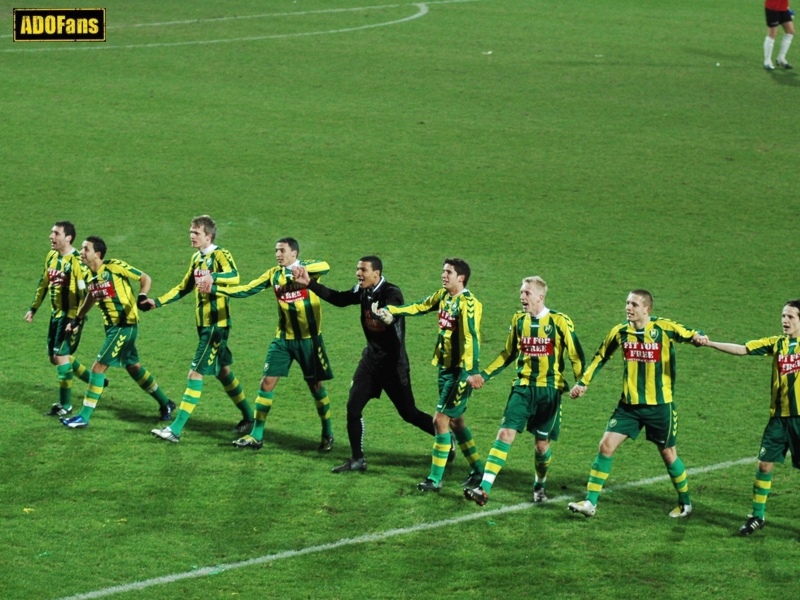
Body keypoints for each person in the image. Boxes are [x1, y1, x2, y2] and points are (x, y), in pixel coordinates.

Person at [567, 290, 707, 518]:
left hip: (660, 406)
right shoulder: (620, 332)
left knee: (669, 454)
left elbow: (691, 334)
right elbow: (601, 356)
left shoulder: (663, 328)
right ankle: (590, 503)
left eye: (633, 304)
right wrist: (583, 382)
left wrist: (699, 337)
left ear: (646, 309)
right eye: (627, 303)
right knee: (605, 446)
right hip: (628, 407)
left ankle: (685, 503)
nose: (628, 308)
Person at [292, 256, 437, 473]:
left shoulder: (390, 292)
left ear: (376, 274)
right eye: (357, 269)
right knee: (353, 407)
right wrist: (310, 283)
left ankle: (445, 437)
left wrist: (388, 316)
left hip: (393, 366)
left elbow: (395, 308)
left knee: (409, 414)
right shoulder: (363, 290)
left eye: (363, 270)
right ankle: (357, 459)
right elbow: (340, 299)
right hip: (370, 362)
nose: (358, 273)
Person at [464, 276, 585, 506]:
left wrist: (580, 381)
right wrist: (485, 374)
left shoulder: (559, 321)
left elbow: (575, 354)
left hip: (549, 391)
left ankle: (539, 484)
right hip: (522, 389)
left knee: (541, 447)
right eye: (521, 292)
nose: (522, 297)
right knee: (504, 434)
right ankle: (484, 488)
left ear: (540, 296)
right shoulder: (519, 321)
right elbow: (507, 353)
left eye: (527, 293)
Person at [209, 237, 335, 452]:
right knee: (266, 384)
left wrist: (300, 270)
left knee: (316, 387)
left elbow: (325, 265)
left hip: (310, 342)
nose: (278, 254)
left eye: (282, 251)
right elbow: (246, 289)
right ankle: (256, 436)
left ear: (294, 253)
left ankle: (327, 433)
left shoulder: (308, 270)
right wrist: (215, 289)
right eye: (276, 251)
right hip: (283, 341)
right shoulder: (273, 274)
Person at [374, 258, 484, 492]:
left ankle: (435, 479)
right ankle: (478, 470)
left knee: (439, 420)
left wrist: (472, 372)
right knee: (456, 420)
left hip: (460, 372)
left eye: (448, 272)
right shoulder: (444, 296)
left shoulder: (469, 304)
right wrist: (392, 310)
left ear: (461, 277)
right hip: (444, 369)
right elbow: (419, 306)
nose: (443, 275)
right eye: (443, 271)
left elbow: (470, 338)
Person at [147, 215, 254, 443]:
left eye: (196, 233)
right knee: (223, 371)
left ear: (209, 236)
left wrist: (212, 277)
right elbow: (184, 287)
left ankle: (175, 430)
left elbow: (235, 276)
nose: (191, 236)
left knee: (195, 373)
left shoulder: (220, 255)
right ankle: (249, 417)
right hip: (203, 325)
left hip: (216, 326)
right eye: (190, 232)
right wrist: (157, 302)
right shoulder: (196, 258)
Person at [699, 300, 800, 535]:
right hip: (778, 419)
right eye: (783, 316)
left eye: (791, 317)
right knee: (764, 465)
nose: (785, 321)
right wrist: (710, 343)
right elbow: (743, 348)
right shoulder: (776, 344)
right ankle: (757, 516)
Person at [60, 236, 173, 428]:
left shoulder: (114, 267)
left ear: (98, 254)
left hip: (125, 326)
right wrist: (77, 318)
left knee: (98, 367)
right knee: (134, 367)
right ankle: (166, 403)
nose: (81, 252)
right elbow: (91, 297)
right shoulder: (88, 276)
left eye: (86, 249)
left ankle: (83, 417)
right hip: (112, 328)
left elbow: (145, 278)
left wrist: (143, 295)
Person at [25, 221, 99, 417]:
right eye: (51, 232)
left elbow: (85, 292)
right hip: (56, 315)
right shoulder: (51, 256)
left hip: (71, 317)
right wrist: (33, 308)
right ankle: (95, 380)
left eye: (56, 233)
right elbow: (43, 283)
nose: (51, 236)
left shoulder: (77, 261)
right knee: (54, 358)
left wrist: (77, 321)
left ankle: (65, 405)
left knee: (60, 357)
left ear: (68, 238)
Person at [764, 0, 794, 70]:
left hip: (783, 8)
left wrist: (787, 7)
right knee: (772, 34)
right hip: (772, 8)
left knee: (790, 31)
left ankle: (781, 58)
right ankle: (767, 61)